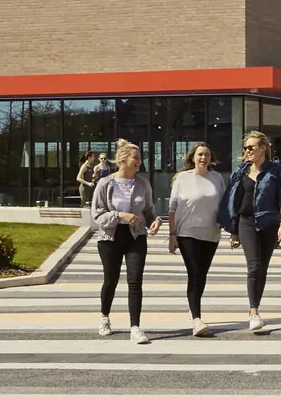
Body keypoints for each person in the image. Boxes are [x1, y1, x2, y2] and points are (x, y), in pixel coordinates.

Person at [90, 140, 157, 344]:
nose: (139, 162)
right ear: (122, 160)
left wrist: (155, 221)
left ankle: (135, 327)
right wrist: (120, 215)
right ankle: (104, 317)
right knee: (111, 279)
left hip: (136, 236)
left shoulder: (143, 184)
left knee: (135, 281)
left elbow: (149, 210)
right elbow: (97, 215)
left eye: (140, 158)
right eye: (135, 158)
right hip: (110, 237)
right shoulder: (105, 183)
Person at [220, 130, 281, 335]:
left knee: (262, 268)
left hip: (269, 223)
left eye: (251, 147)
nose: (247, 151)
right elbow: (233, 201)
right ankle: (253, 312)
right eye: (245, 147)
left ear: (263, 148)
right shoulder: (241, 172)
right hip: (246, 222)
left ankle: (256, 307)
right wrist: (233, 231)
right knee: (254, 265)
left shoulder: (276, 170)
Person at [167, 142, 224, 338]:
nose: (203, 158)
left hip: (211, 233)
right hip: (187, 232)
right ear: (193, 157)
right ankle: (197, 319)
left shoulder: (217, 178)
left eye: (207, 154)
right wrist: (172, 235)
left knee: (202, 275)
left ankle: (193, 309)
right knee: (195, 273)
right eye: (200, 154)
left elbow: (223, 206)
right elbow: (172, 208)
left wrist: (232, 230)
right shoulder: (182, 178)